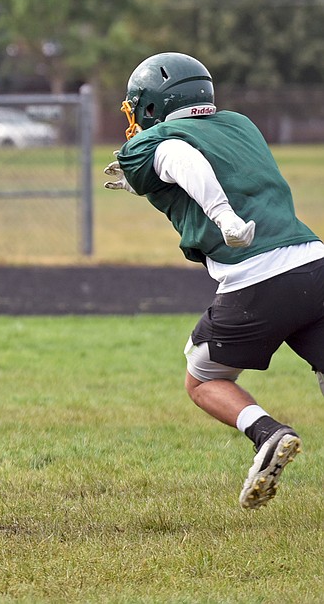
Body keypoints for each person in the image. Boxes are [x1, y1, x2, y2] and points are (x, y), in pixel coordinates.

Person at [105, 51, 324, 509]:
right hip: (314, 263)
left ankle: (268, 434)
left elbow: (179, 156)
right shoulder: (240, 124)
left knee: (202, 379)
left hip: (257, 278)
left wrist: (223, 217)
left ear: (150, 107)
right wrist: (143, 184)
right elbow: (221, 168)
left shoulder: (157, 140)